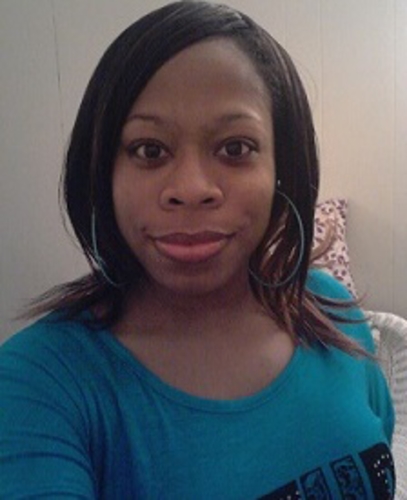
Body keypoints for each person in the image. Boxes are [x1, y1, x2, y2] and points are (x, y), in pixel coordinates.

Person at [0, 2, 396, 498]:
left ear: (282, 166)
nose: (190, 189)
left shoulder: (332, 310)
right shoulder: (38, 385)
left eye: (235, 148)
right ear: (102, 173)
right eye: (149, 150)